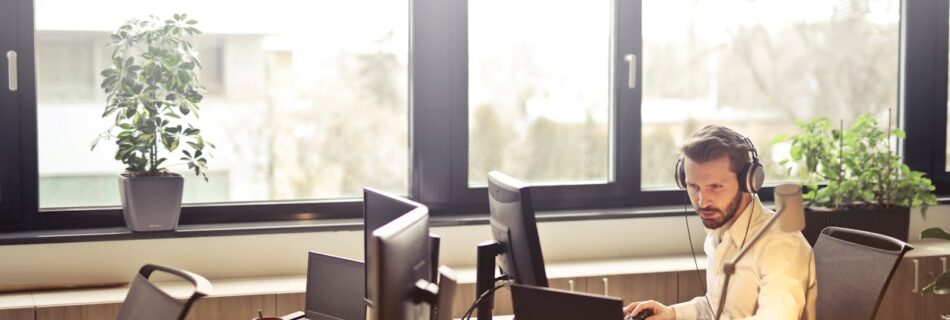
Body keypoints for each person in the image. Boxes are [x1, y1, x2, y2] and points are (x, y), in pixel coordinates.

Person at [625, 125, 816, 320]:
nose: (702, 201)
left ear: (748, 182)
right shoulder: (720, 235)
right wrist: (673, 313)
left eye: (715, 186)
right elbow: (717, 310)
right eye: (693, 186)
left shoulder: (781, 244)